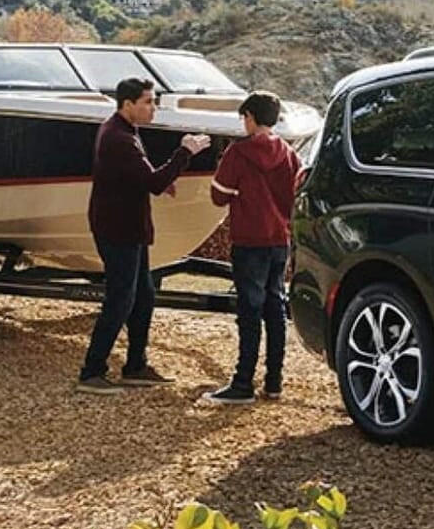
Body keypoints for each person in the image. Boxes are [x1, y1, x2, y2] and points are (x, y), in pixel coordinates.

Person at [77, 77, 210, 394]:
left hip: (129, 227)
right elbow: (151, 181)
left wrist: (164, 179)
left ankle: (135, 366)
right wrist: (184, 152)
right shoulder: (118, 138)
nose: (154, 108)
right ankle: (91, 372)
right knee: (120, 299)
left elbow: (141, 176)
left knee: (144, 295)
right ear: (127, 104)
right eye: (148, 102)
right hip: (117, 229)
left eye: (154, 101)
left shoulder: (124, 132)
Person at [202, 90, 301, 405]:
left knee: (249, 311)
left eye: (243, 117)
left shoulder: (238, 152)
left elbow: (219, 195)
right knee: (275, 308)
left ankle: (242, 383)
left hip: (249, 241)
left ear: (250, 117)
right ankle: (274, 381)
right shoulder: (288, 153)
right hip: (278, 239)